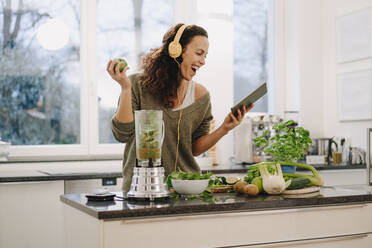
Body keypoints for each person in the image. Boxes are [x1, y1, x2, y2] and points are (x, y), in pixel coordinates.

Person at [107, 23, 253, 192]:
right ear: (175, 50)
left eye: (205, 55)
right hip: (142, 189)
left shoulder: (201, 96)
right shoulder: (136, 85)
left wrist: (225, 128)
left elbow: (194, 149)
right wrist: (125, 88)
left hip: (186, 191)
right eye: (199, 53)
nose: (203, 61)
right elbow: (122, 134)